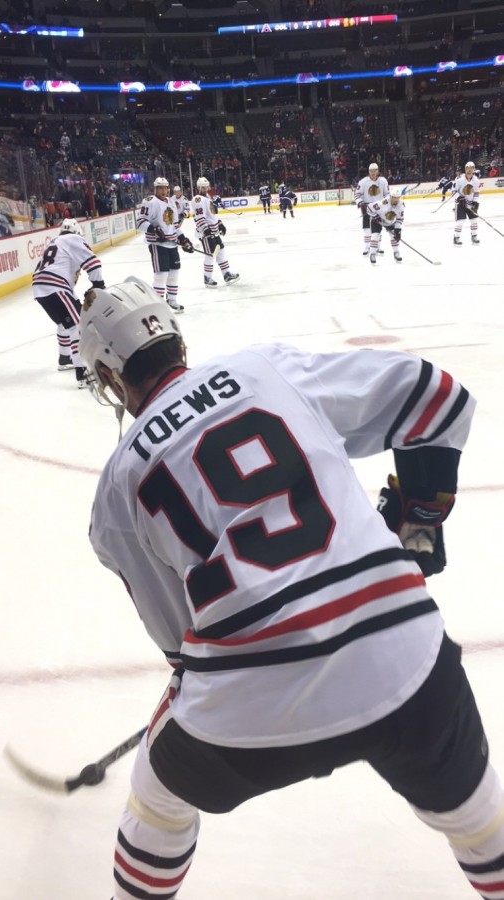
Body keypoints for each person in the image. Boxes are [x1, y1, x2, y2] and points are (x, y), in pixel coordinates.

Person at [79, 276, 504, 900]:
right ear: (176, 339)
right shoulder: (265, 370)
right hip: (402, 658)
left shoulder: (116, 489)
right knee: (479, 821)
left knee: (159, 800)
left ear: (112, 379)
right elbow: (438, 401)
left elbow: (180, 645)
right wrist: (417, 525)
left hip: (247, 706)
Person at [32, 218, 105, 386]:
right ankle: (82, 372)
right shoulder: (74, 239)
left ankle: (65, 357)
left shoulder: (55, 242)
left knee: (64, 322)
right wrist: (99, 284)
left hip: (40, 288)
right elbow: (93, 262)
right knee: (77, 325)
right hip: (55, 286)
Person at [136, 176, 194, 313]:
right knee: (161, 274)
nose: (163, 190)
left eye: (165, 187)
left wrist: (183, 239)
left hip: (172, 243)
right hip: (157, 244)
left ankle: (172, 300)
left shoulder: (172, 202)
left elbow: (174, 224)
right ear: (155, 189)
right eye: (160, 188)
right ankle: (159, 304)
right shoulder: (149, 202)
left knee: (174, 272)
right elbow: (140, 222)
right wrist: (154, 230)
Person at [190, 177, 239, 288]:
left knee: (220, 251)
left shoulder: (207, 197)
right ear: (198, 187)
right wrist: (205, 230)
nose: (205, 189)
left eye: (206, 186)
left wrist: (219, 224)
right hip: (206, 233)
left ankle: (226, 274)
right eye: (203, 187)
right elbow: (199, 216)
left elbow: (211, 215)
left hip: (214, 231)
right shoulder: (197, 199)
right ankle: (207, 278)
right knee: (211, 255)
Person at [354, 162, 390, 256]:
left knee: (378, 227)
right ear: (369, 172)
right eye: (371, 171)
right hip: (367, 206)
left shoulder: (383, 181)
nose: (373, 173)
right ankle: (367, 247)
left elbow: (387, 194)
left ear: (378, 171)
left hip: (379, 207)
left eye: (375, 171)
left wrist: (384, 203)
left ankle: (378, 247)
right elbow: (357, 194)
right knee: (367, 228)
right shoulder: (363, 182)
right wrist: (361, 203)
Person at [367, 186, 405, 264]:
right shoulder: (383, 203)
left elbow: (399, 219)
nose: (396, 200)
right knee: (375, 236)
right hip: (377, 221)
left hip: (390, 221)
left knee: (394, 237)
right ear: (391, 196)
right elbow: (369, 208)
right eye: (394, 197)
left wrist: (398, 230)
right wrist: (375, 216)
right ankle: (373, 253)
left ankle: (396, 253)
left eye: (398, 198)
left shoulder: (401, 205)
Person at [453, 161, 480, 246]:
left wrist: (475, 201)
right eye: (468, 168)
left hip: (470, 203)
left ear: (474, 169)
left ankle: (474, 236)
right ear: (465, 169)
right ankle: (456, 237)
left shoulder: (476, 180)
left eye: (471, 168)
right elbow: (453, 191)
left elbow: (476, 192)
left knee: (474, 220)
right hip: (460, 204)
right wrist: (459, 198)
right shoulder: (459, 179)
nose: (469, 170)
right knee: (461, 221)